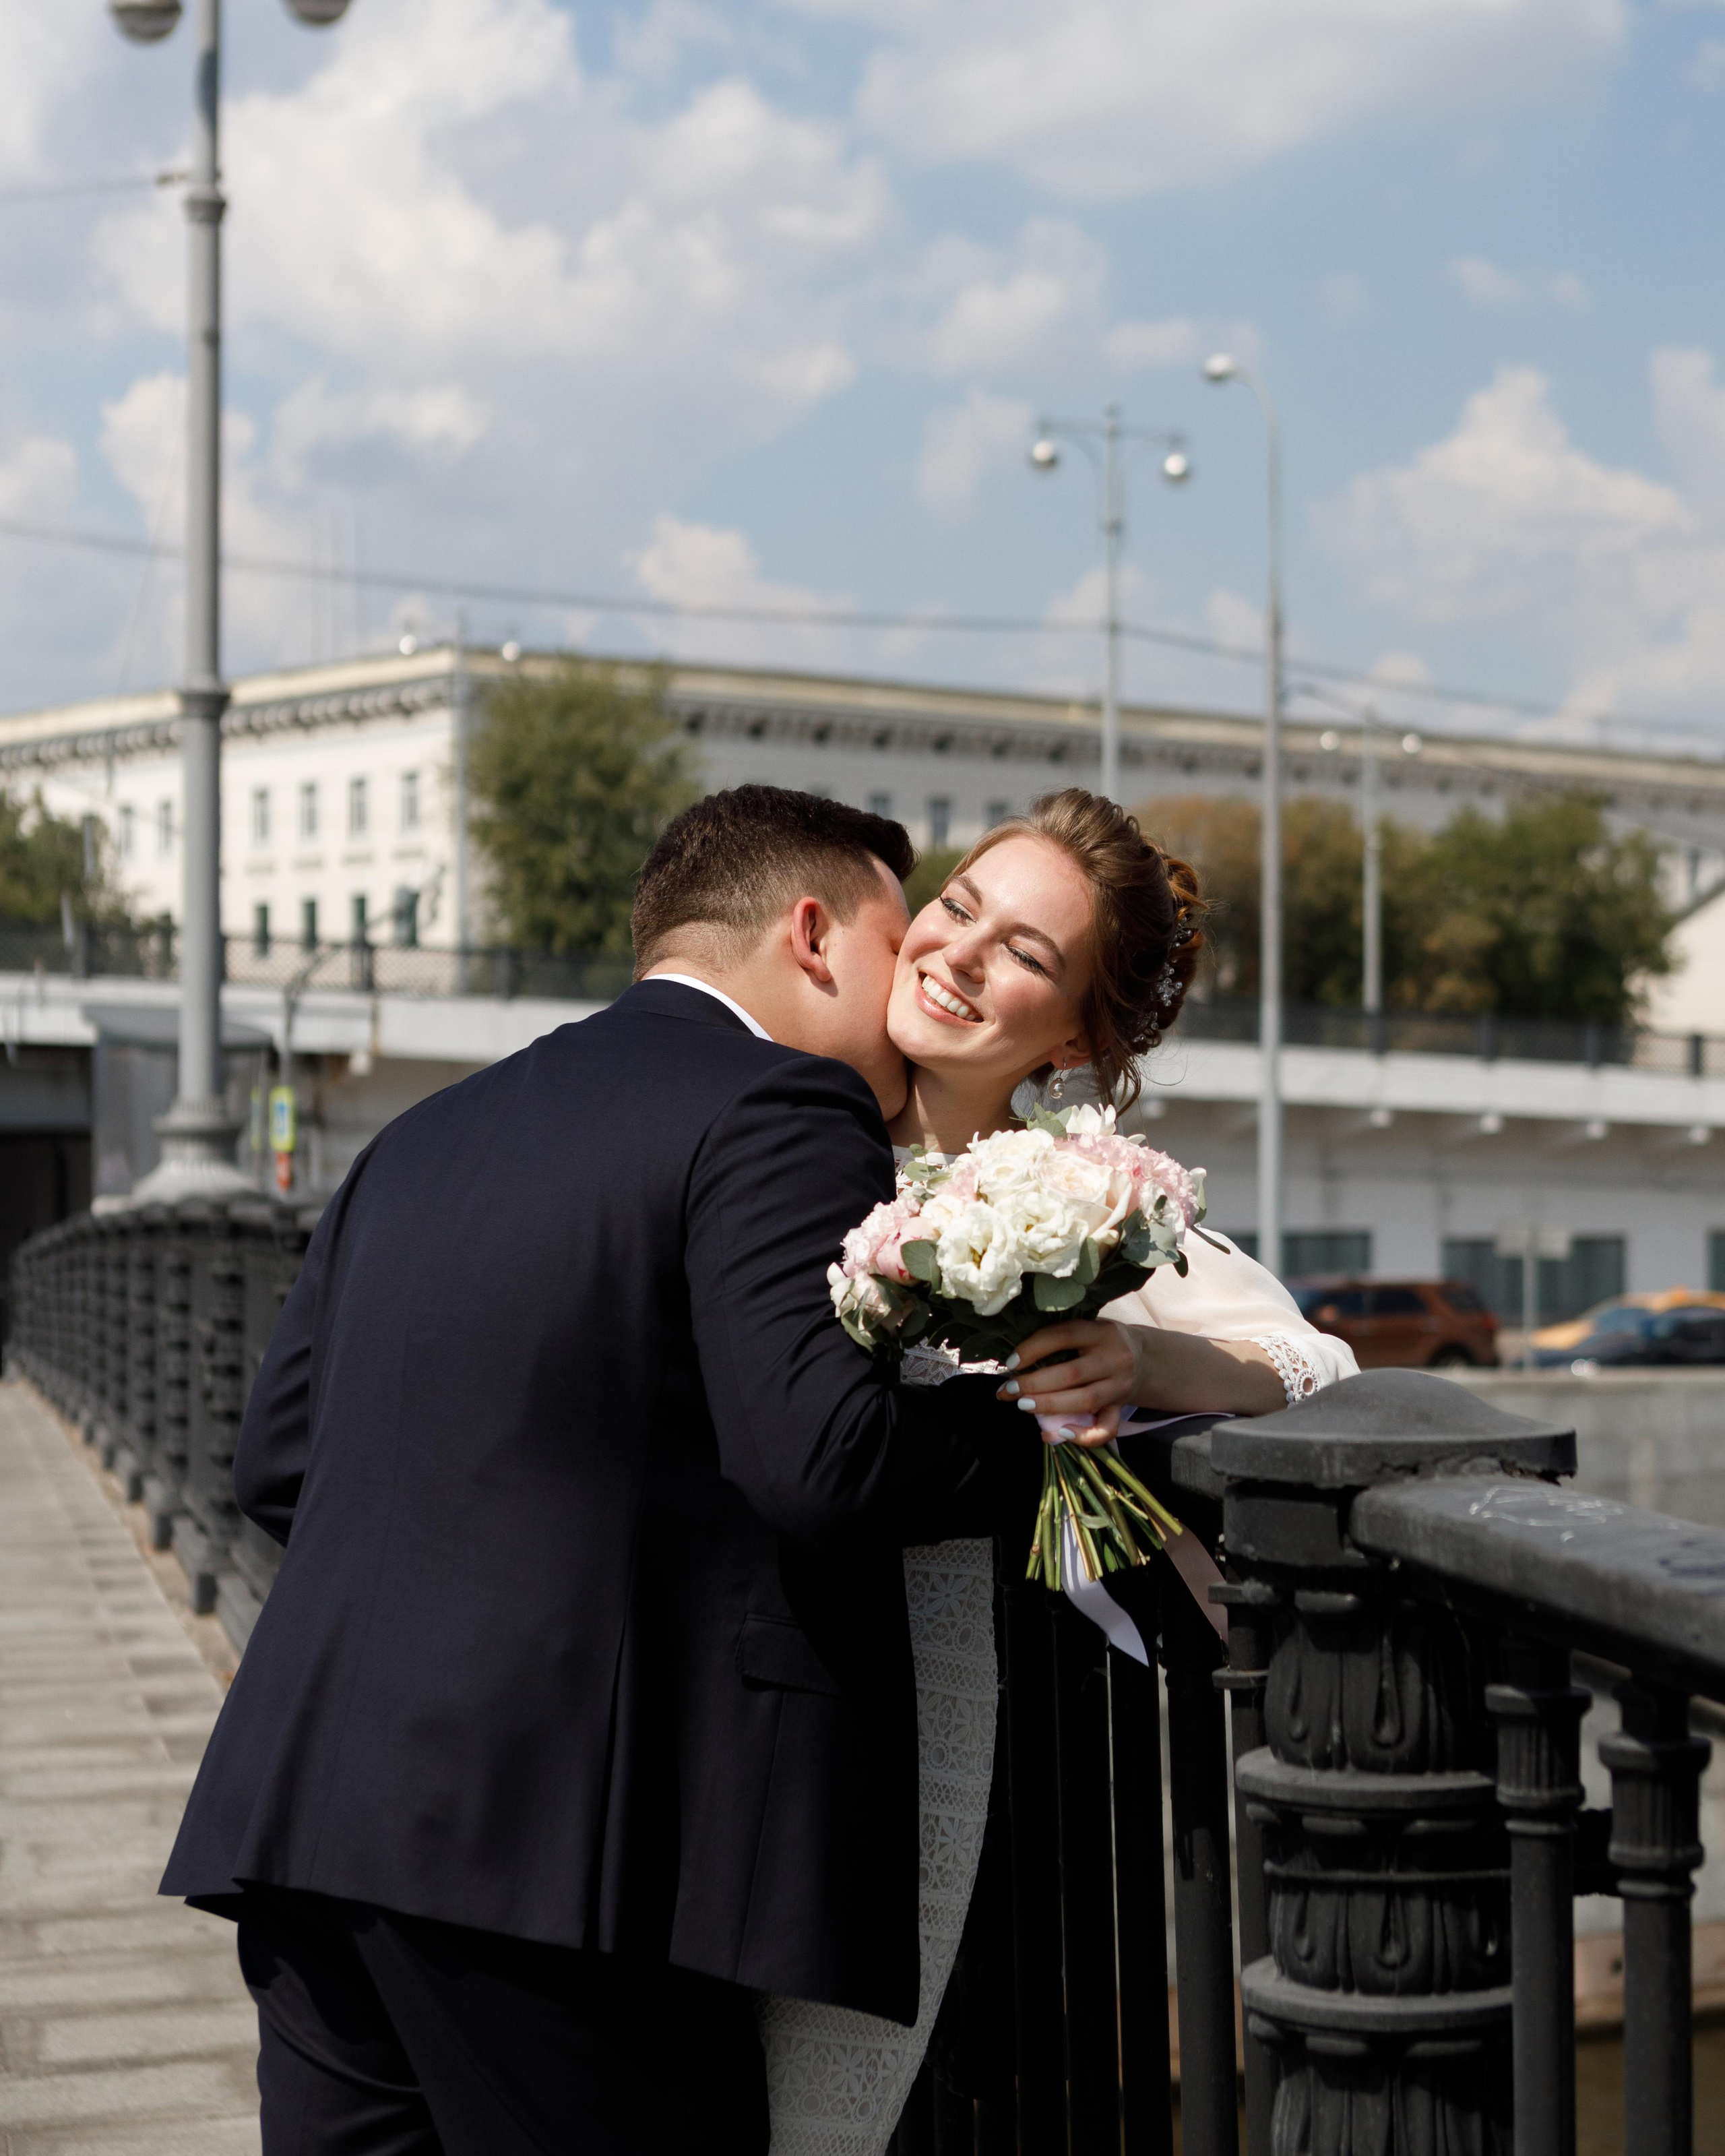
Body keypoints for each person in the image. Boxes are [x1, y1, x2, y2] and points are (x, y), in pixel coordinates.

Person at [160, 786, 1045, 2156]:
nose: (915, 976)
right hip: (559, 1861)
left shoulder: (431, 1131)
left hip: (310, 1813)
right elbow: (820, 1457)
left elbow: (275, 1459)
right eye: (897, 934)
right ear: (812, 936)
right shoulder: (780, 1101)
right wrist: (1036, 1433)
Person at [760, 787, 1356, 2153]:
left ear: (1078, 1033)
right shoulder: (783, 1145)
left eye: (1024, 954)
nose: (958, 954)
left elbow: (1316, 1362)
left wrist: (1145, 1367)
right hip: (806, 1740)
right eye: (957, 906)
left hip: (1027, 1755)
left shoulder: (1068, 1192)